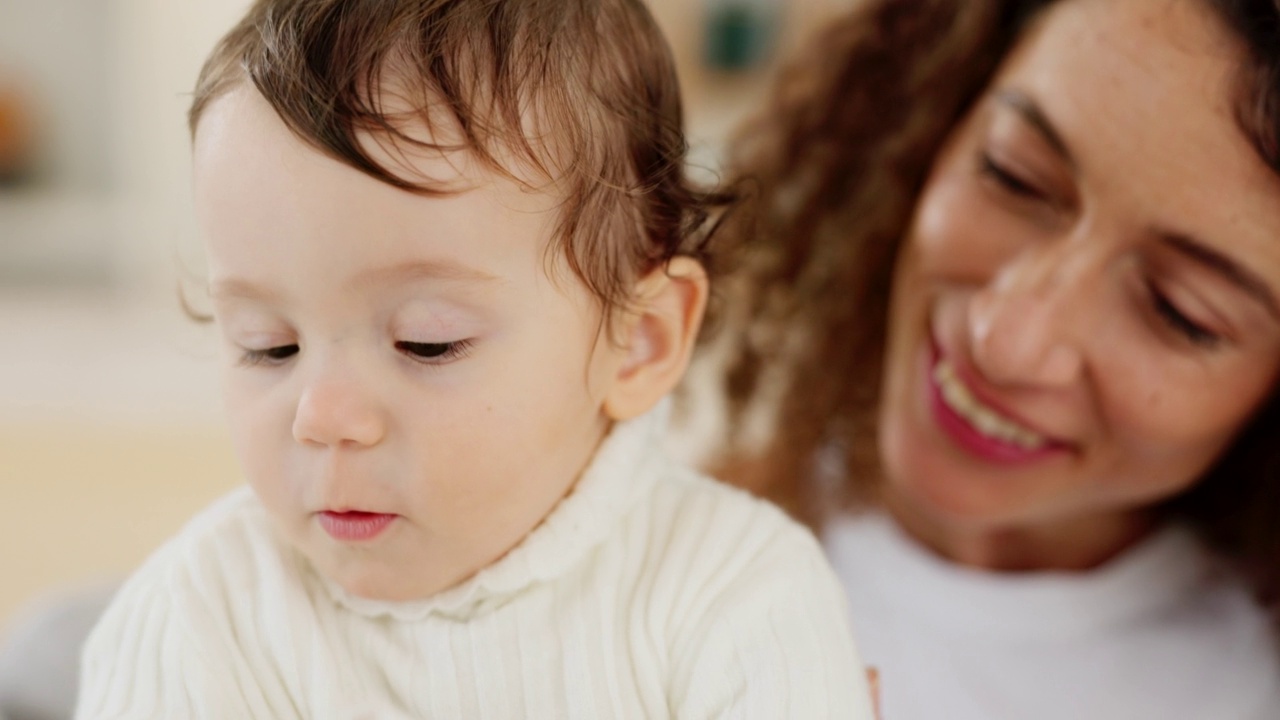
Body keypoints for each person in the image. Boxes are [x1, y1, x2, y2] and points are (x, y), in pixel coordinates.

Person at [73, 1, 874, 717]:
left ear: (639, 341)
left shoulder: (732, 591)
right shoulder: (198, 619)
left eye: (426, 342)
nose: (322, 417)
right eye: (267, 345)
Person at [714, 0, 1280, 718]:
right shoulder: (656, 526)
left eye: (1179, 310)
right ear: (939, 118)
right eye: (1012, 174)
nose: (1005, 339)